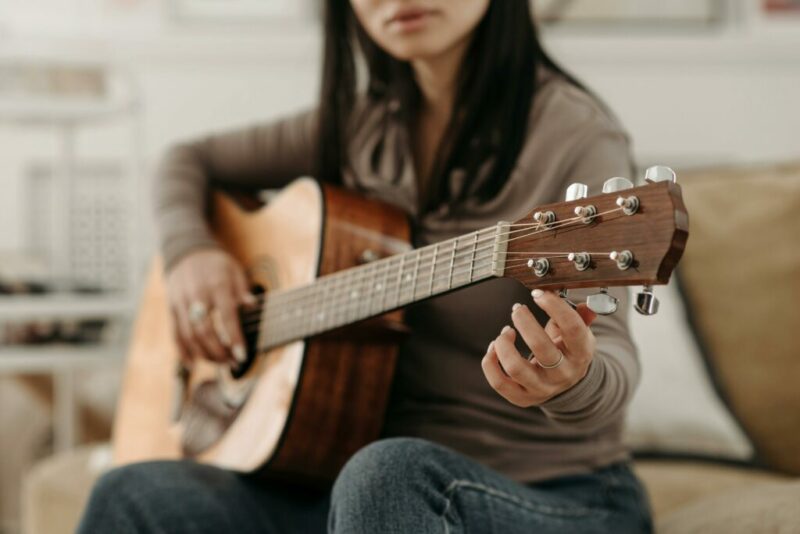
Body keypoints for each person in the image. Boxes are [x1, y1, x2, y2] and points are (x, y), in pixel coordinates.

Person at [78, 0, 652, 532]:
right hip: (361, 496)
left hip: (551, 497)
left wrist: (572, 380)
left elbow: (616, 358)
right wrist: (191, 254)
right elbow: (186, 160)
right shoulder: (362, 127)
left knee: (385, 474)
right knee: (131, 491)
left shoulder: (575, 134)